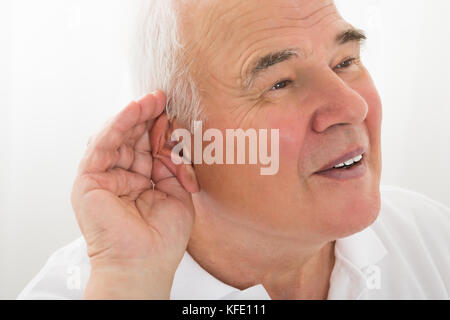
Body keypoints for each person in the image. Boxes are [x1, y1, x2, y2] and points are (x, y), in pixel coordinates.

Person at [18, 0, 450, 300]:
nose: (352, 107)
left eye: (345, 62)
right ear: (178, 146)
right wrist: (132, 281)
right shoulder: (93, 286)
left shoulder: (431, 236)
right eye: (280, 83)